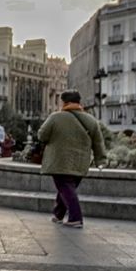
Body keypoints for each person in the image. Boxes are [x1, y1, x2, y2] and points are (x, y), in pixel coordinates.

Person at [37, 91, 106, 228]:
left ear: (64, 102)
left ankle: (76, 218)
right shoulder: (91, 120)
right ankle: (58, 215)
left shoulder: (56, 117)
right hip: (81, 162)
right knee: (67, 188)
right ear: (79, 102)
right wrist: (101, 161)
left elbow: (42, 136)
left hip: (59, 160)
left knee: (65, 188)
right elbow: (98, 142)